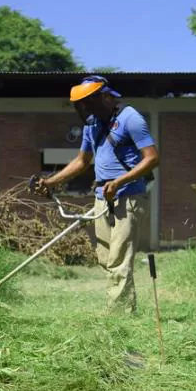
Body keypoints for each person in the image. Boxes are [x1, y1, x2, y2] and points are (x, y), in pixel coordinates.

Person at [35, 75, 159, 313]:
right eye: (82, 105)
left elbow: (152, 158)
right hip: (102, 197)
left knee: (119, 260)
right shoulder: (91, 126)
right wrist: (50, 182)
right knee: (105, 258)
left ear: (105, 96)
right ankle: (124, 307)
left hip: (128, 195)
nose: (86, 109)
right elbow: (82, 162)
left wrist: (120, 181)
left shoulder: (130, 118)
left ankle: (118, 318)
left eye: (89, 103)